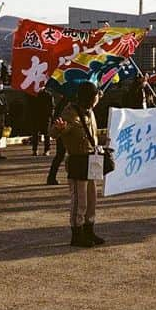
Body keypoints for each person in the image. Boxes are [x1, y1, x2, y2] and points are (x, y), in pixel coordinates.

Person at [50, 81, 105, 248]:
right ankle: (77, 233)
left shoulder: (90, 112)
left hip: (91, 160)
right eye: (96, 95)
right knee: (79, 199)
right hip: (78, 160)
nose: (98, 98)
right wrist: (60, 128)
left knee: (91, 198)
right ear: (89, 97)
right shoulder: (70, 113)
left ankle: (89, 229)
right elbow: (53, 133)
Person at [29, 88, 54, 157]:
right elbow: (30, 105)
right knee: (35, 134)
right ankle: (35, 150)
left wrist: (50, 116)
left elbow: (51, 106)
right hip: (35, 116)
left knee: (46, 134)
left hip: (45, 117)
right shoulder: (33, 94)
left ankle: (47, 150)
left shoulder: (48, 95)